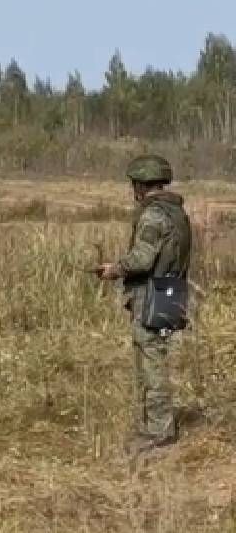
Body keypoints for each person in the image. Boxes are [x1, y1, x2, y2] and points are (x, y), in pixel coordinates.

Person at [94, 155, 193, 455]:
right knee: (155, 357)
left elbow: (141, 259)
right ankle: (155, 425)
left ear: (139, 184)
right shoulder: (177, 213)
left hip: (151, 296)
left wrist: (114, 269)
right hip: (171, 292)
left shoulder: (153, 215)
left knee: (151, 363)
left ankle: (160, 432)